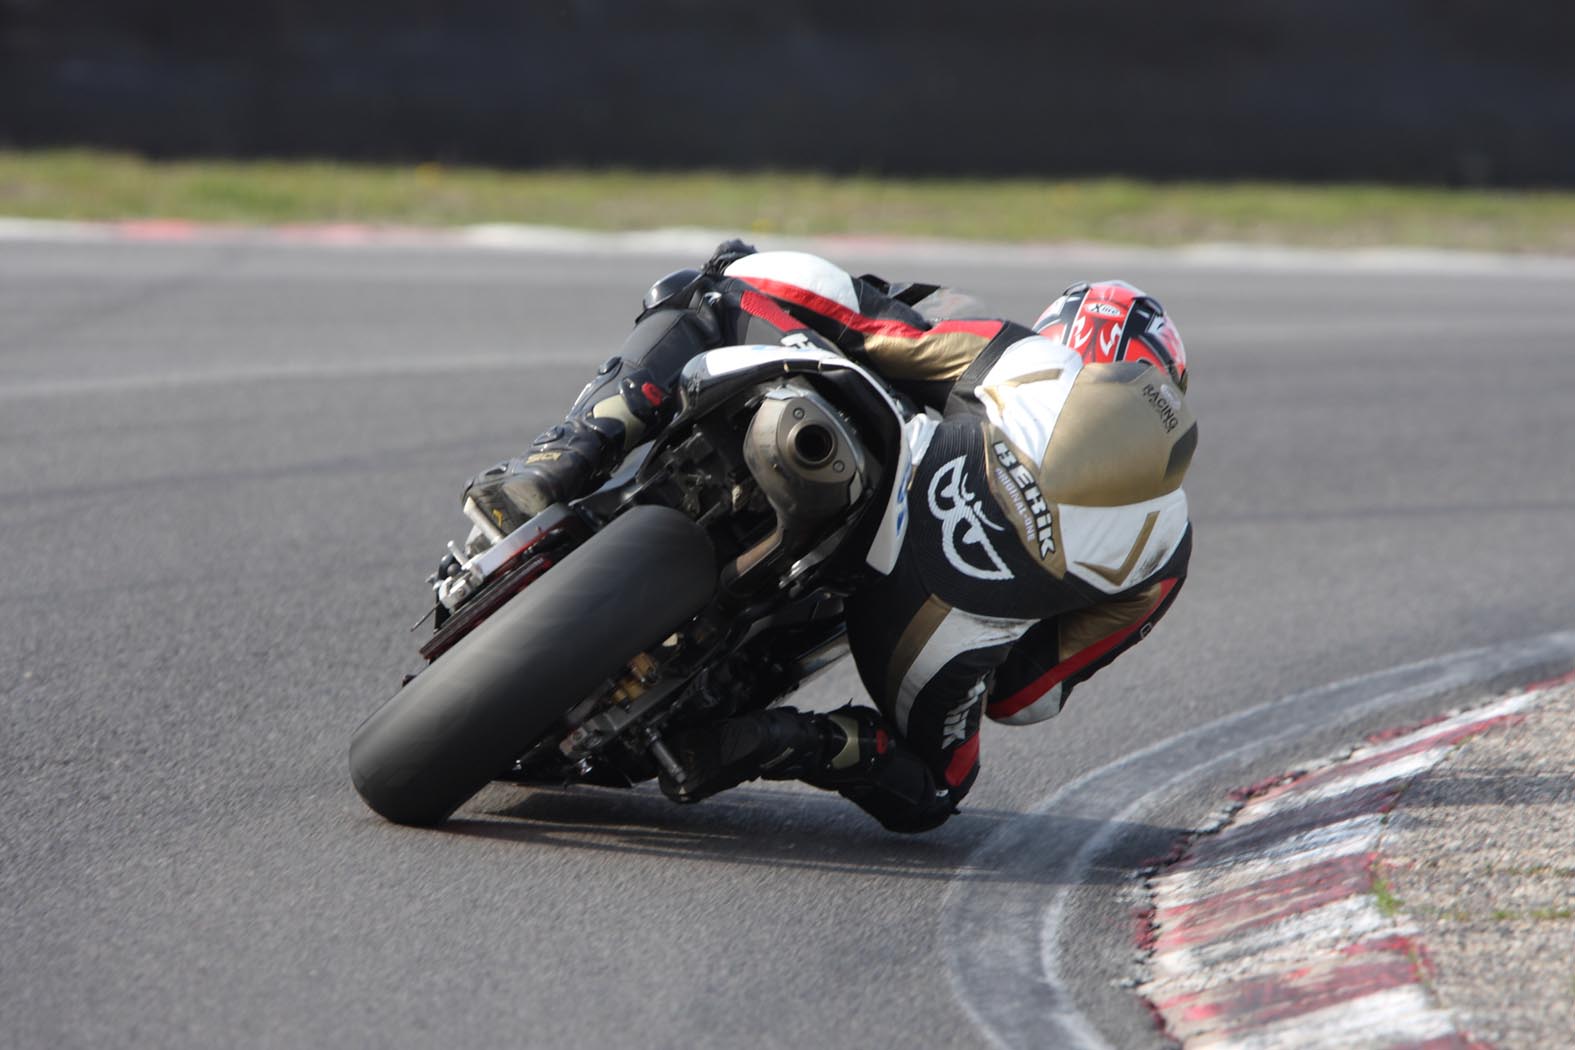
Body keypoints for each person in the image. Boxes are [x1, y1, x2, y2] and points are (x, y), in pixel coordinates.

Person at [466, 241, 1196, 833]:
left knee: (706, 288)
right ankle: (779, 741)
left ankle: (560, 459)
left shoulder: (1018, 355)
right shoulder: (1164, 547)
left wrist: (736, 271)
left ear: (1060, 337)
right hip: (924, 622)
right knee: (937, 790)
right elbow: (1021, 696)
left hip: (842, 453)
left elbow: (861, 321)